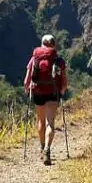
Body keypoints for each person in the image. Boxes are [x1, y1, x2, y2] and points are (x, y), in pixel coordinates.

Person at [24, 34, 67, 165]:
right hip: (53, 93)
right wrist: (62, 91)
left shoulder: (34, 59)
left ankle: (42, 147)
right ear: (54, 45)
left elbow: (26, 80)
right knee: (50, 123)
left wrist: (28, 89)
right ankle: (48, 149)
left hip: (38, 92)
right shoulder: (59, 60)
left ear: (42, 44)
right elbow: (64, 83)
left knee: (41, 121)